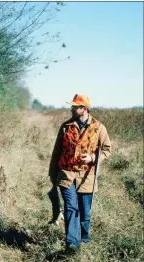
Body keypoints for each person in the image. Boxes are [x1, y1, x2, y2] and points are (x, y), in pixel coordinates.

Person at [48, 94, 111, 252]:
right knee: (71, 207)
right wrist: (52, 174)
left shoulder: (99, 127)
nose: (72, 109)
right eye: (72, 106)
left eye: (75, 107)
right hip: (66, 174)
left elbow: (106, 150)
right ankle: (72, 244)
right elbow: (57, 152)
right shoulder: (65, 126)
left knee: (85, 212)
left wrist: (92, 157)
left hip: (87, 176)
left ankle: (84, 238)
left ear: (85, 109)